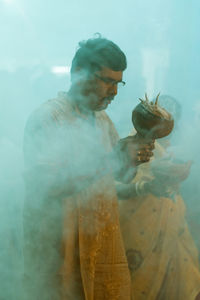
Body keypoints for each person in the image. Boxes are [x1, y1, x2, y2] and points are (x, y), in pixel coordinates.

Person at [22, 35, 154, 300]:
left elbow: (116, 178)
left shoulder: (103, 121)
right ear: (78, 73)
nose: (114, 92)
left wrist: (132, 158)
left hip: (103, 248)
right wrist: (111, 160)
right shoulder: (48, 117)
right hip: (60, 252)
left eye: (118, 83)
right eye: (107, 81)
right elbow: (47, 185)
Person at [118, 95, 200, 300]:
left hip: (170, 227)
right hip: (138, 229)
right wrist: (145, 186)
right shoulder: (131, 145)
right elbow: (112, 187)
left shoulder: (163, 145)